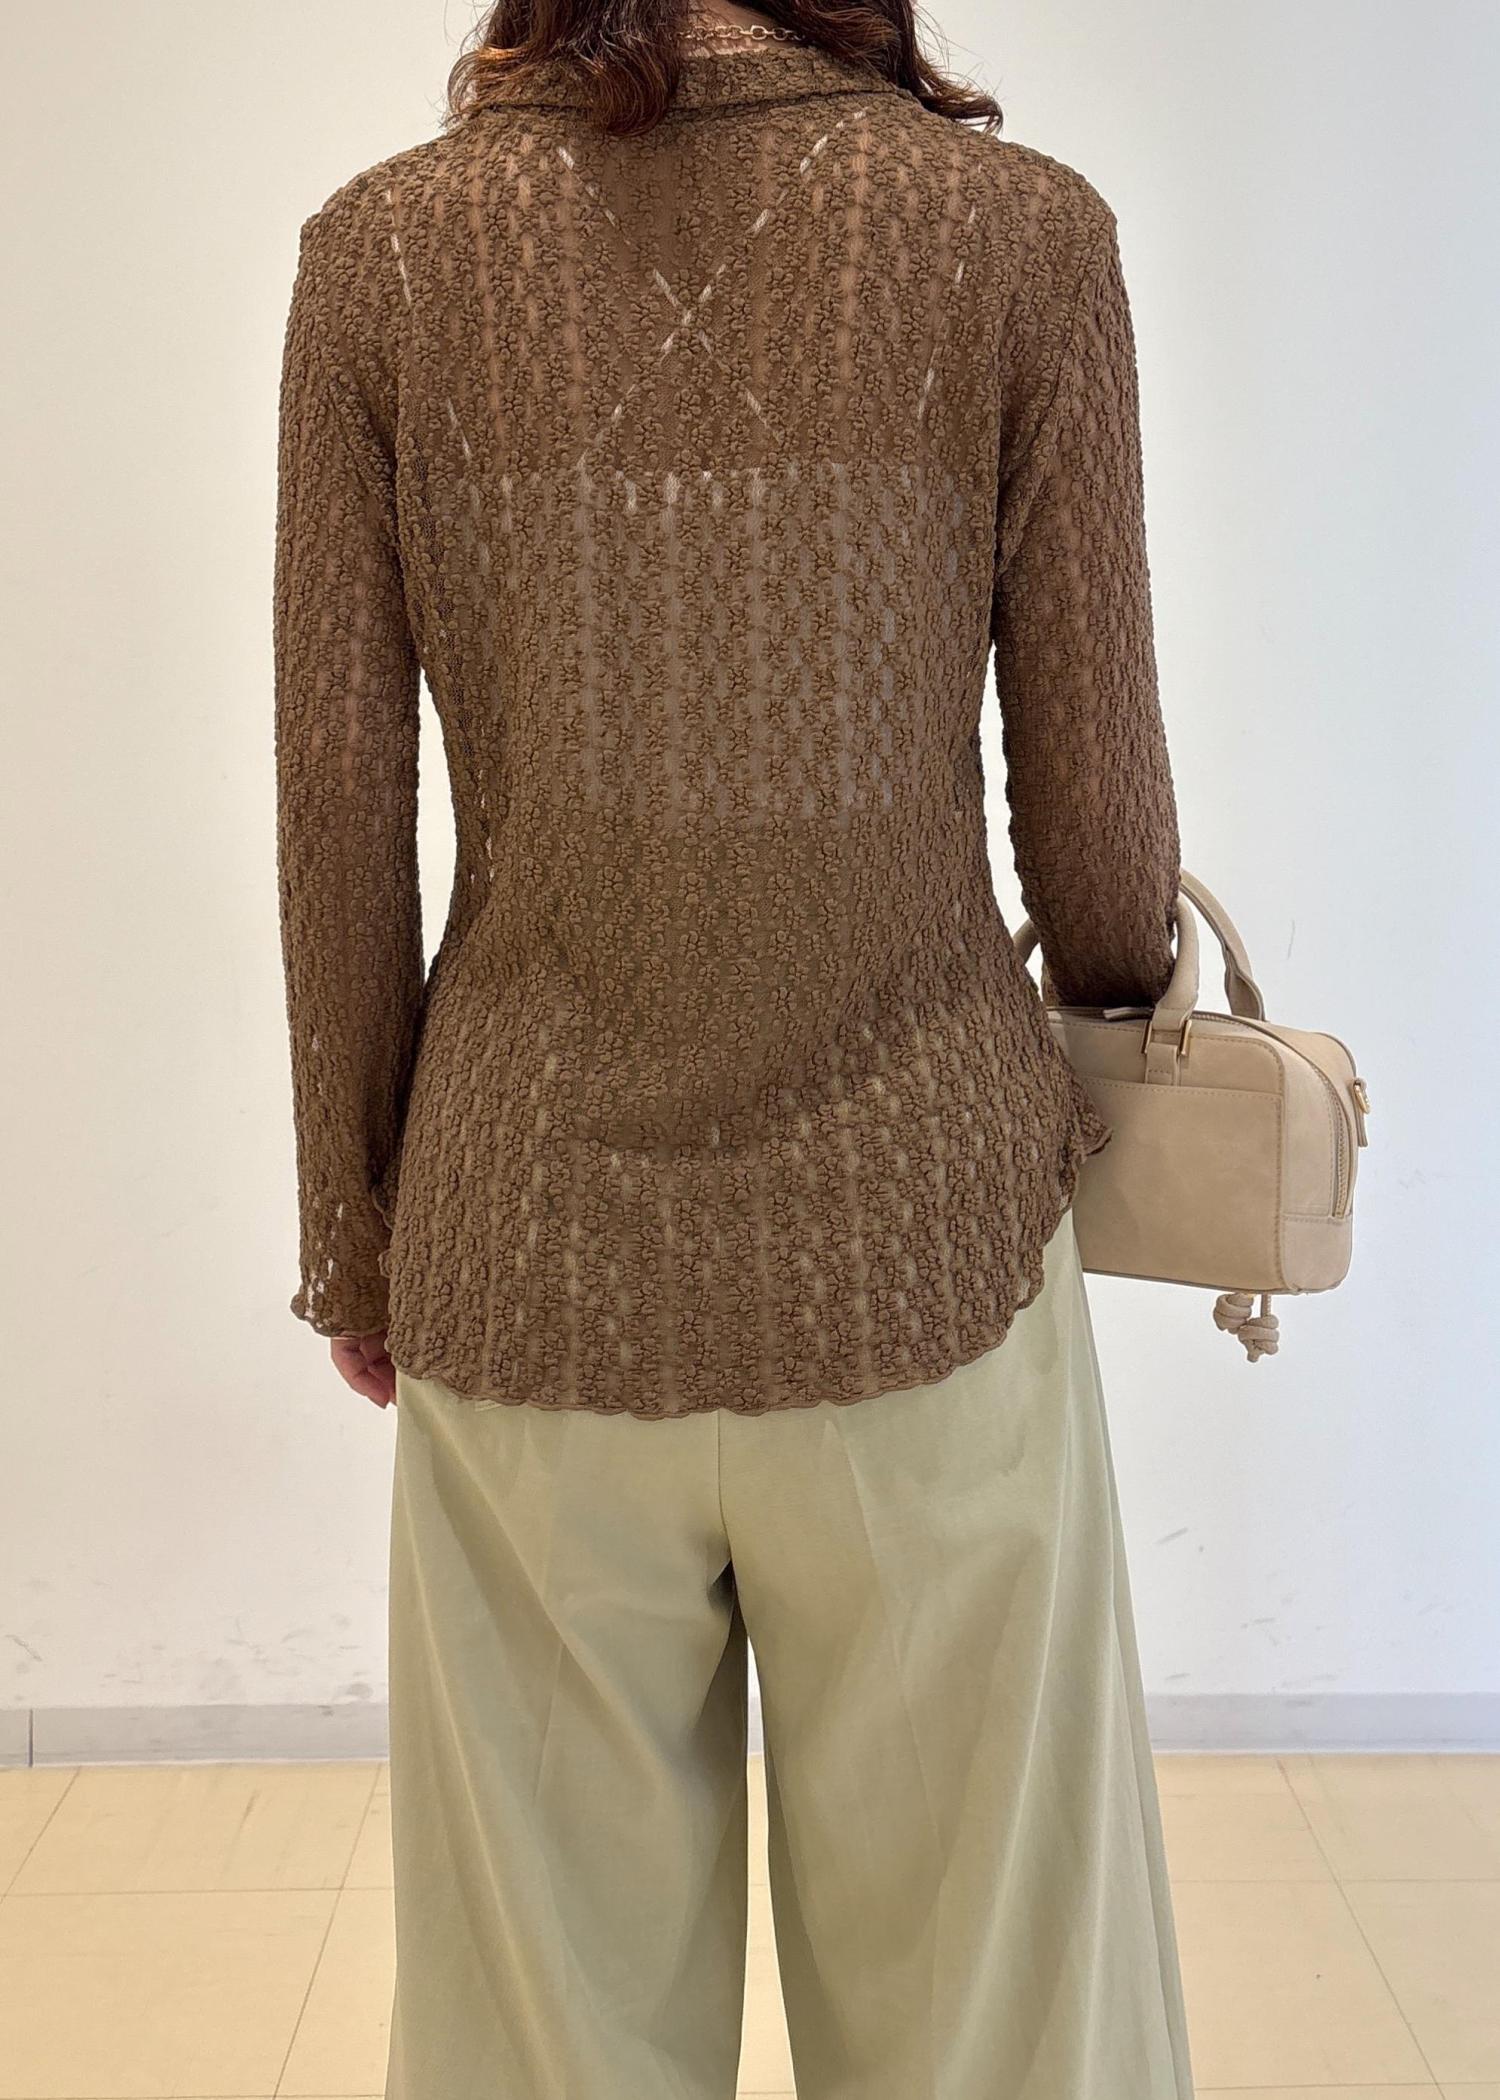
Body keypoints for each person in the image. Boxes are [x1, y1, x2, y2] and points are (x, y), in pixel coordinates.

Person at [271, 0, 1197, 2091]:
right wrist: (1122, 1002)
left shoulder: (381, 255)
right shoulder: (1020, 237)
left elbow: (339, 798)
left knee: (540, 2038)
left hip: (529, 1255)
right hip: (928, 1254)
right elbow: (1100, 832)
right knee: (994, 2029)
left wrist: (359, 1226)